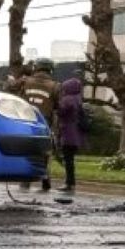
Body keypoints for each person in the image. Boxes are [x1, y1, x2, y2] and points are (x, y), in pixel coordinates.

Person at [18, 58, 60, 191]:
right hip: (44, 124)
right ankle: (45, 178)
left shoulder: (25, 82)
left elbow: (17, 98)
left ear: (36, 68)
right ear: (50, 69)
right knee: (45, 152)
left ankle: (25, 181)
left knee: (26, 151)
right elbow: (58, 107)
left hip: (26, 122)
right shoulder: (55, 86)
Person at [57, 77, 86, 193]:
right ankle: (70, 182)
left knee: (67, 159)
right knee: (70, 159)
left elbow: (61, 112)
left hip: (68, 132)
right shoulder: (78, 99)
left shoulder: (67, 100)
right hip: (75, 134)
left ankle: (69, 183)